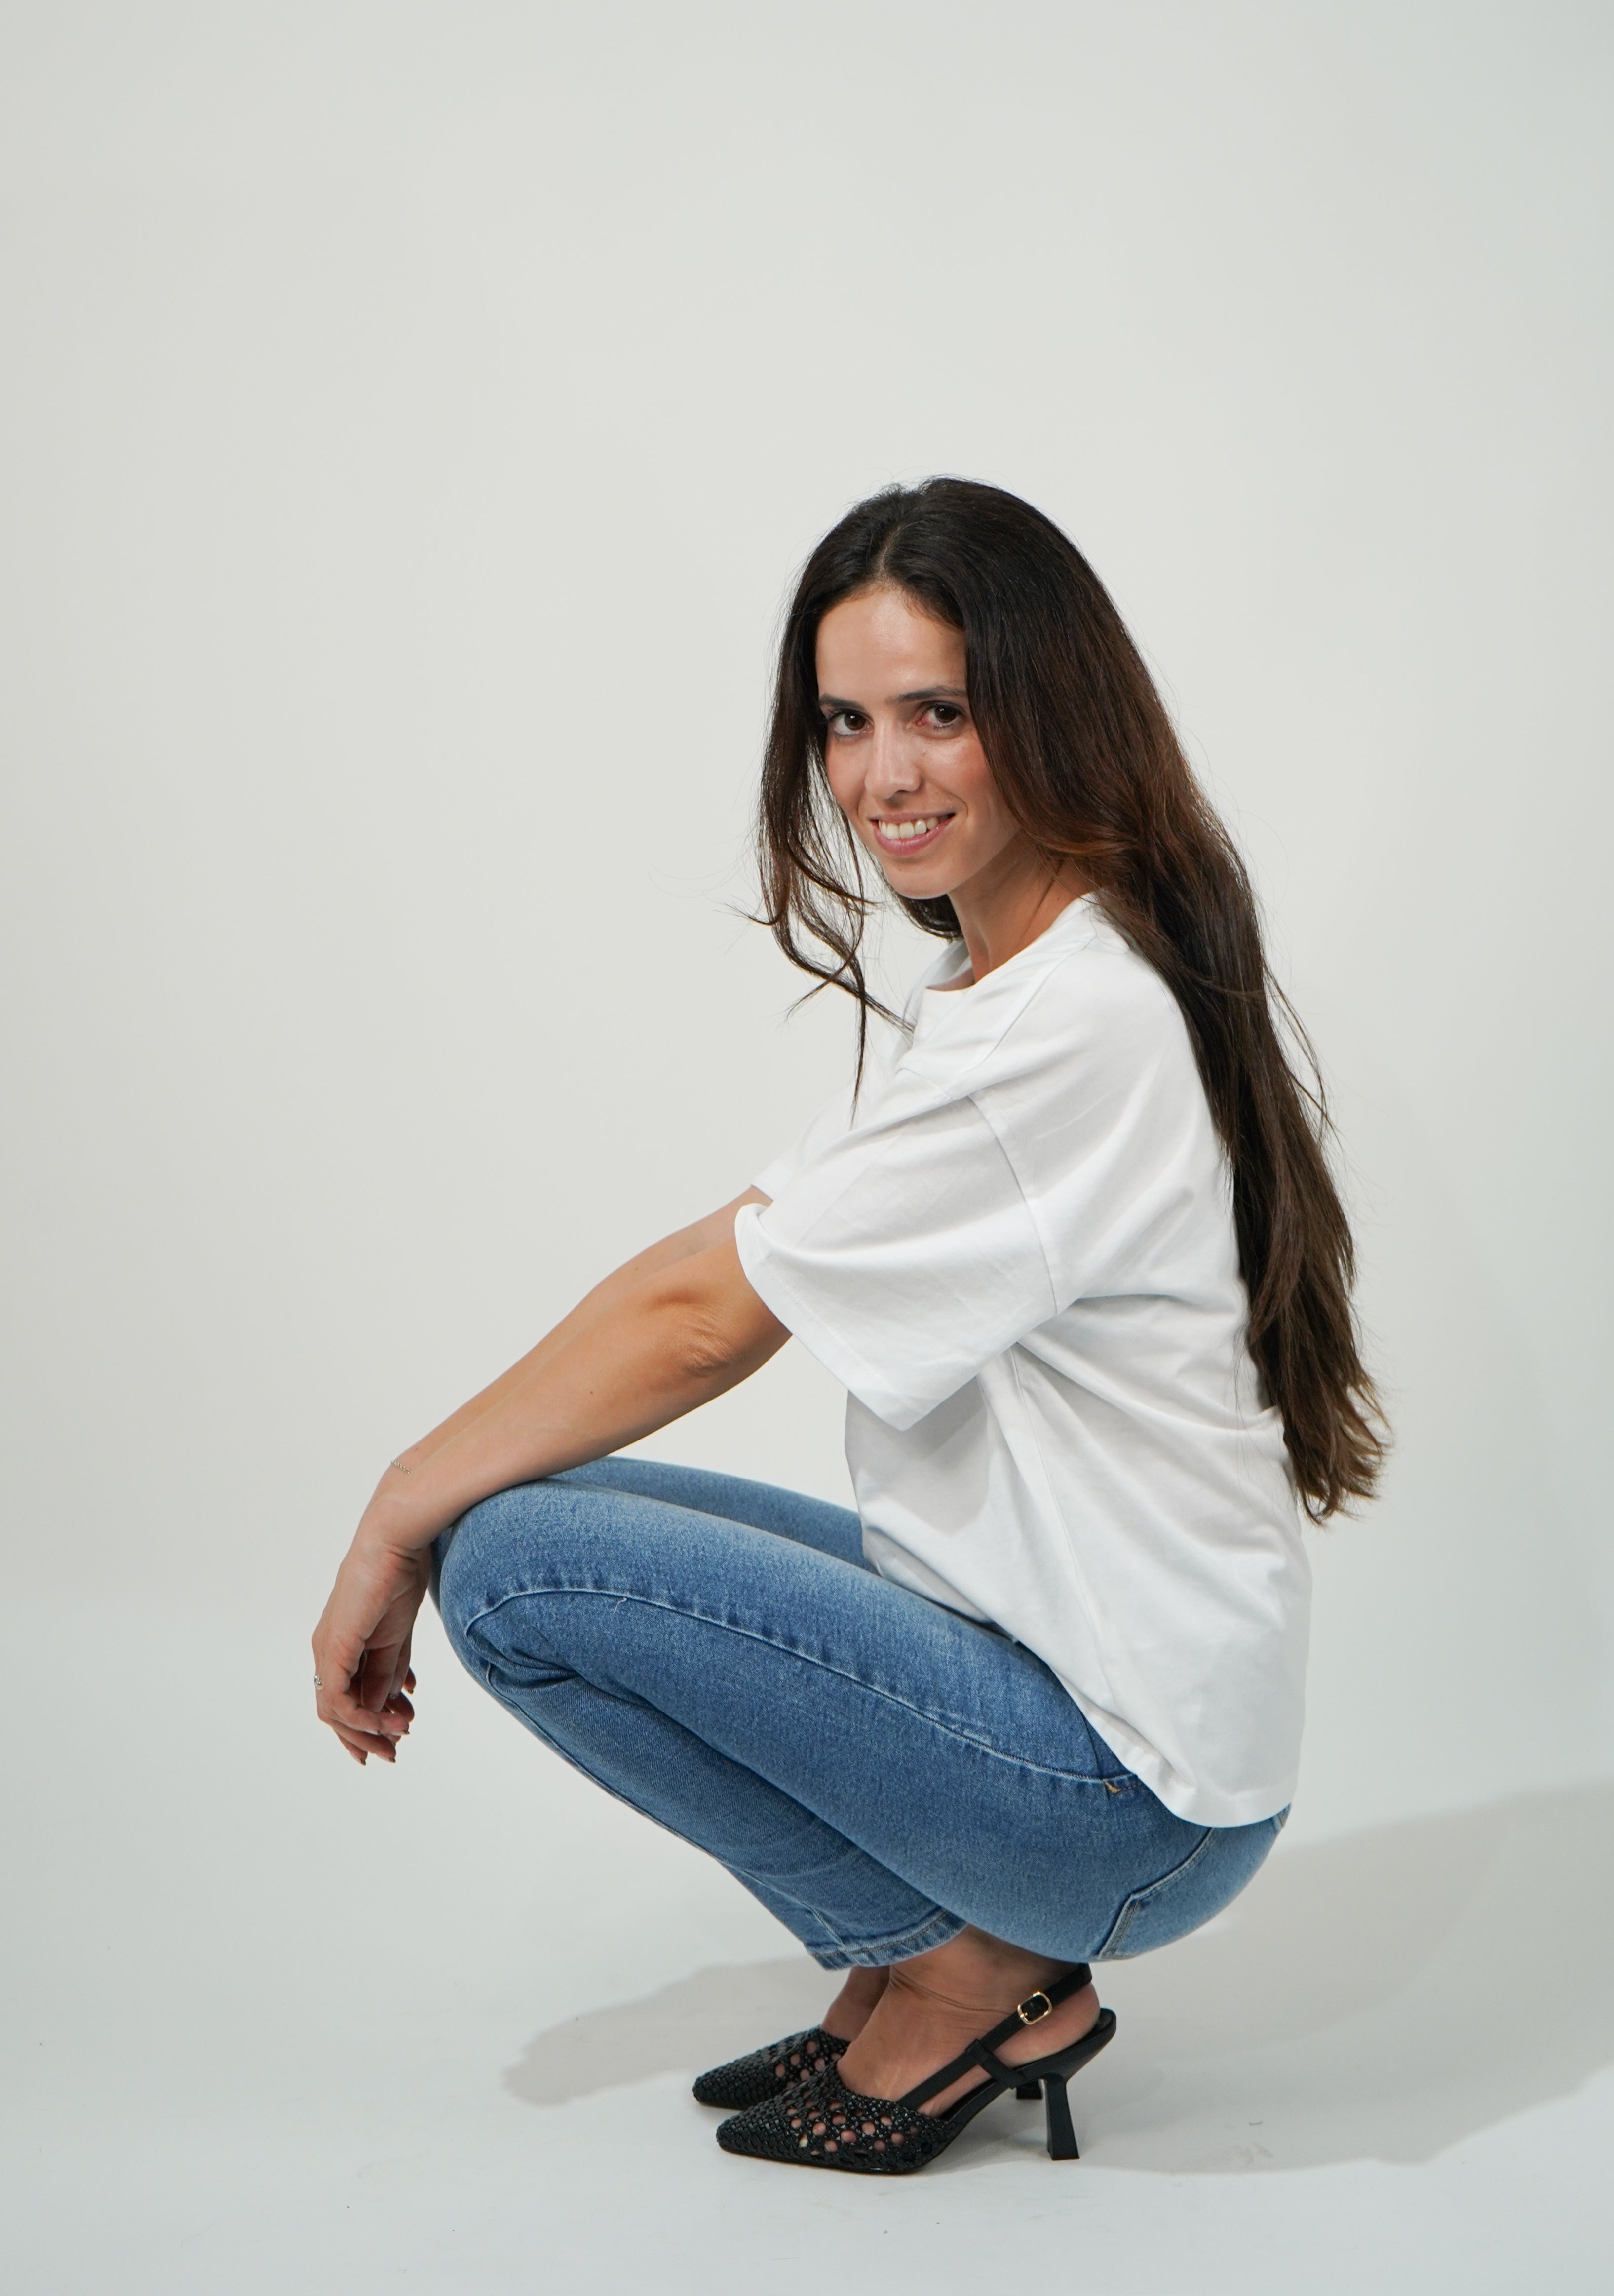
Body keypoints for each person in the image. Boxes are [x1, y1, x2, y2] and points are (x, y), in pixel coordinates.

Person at [312, 477, 1384, 2176]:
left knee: (508, 1568)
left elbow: (704, 1319)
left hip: (1125, 1803)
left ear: (1049, 706)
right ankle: (926, 1949)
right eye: (846, 721)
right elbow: (733, 1248)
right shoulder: (1031, 981)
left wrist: (393, 1506)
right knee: (525, 1517)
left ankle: (972, 1971)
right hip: (1099, 1724)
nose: (884, 775)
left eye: (939, 712)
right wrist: (423, 1488)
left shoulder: (1068, 1028)